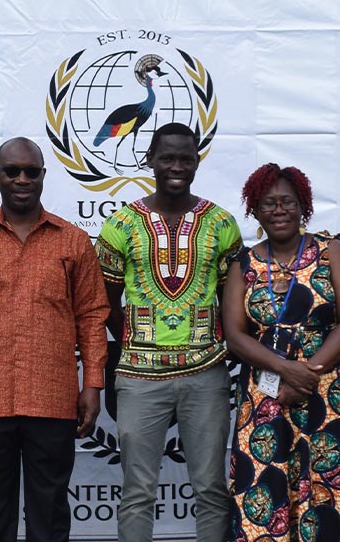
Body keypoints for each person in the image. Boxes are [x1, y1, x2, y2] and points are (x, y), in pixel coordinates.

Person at [0, 139, 109, 542]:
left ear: (44, 176)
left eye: (31, 171)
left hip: (52, 398)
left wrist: (93, 384)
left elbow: (92, 316)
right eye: (12, 171)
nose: (21, 179)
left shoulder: (73, 241)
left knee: (49, 512)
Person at [97, 122, 240, 542]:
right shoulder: (120, 225)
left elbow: (233, 303)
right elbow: (105, 301)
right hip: (139, 378)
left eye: (186, 158)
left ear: (197, 162)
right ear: (150, 161)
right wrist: (138, 345)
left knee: (211, 489)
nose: (176, 166)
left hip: (207, 374)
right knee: (137, 491)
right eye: (167, 158)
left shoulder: (221, 223)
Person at [223, 162, 340, 542]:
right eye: (268, 203)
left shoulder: (330, 252)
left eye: (287, 201)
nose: (278, 209)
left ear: (303, 206)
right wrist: (285, 370)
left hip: (328, 390)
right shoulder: (244, 264)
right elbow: (236, 336)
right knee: (265, 491)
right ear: (254, 210)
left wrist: (308, 372)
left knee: (330, 492)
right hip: (265, 397)